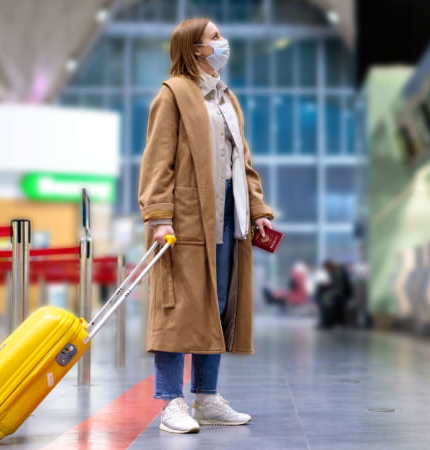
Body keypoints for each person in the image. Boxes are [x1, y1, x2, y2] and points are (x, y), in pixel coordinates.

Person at [138, 17, 274, 434]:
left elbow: (243, 164)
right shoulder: (173, 94)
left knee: (214, 307)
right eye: (215, 37)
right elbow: (158, 161)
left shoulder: (226, 99)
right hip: (184, 218)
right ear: (195, 48)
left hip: (227, 216)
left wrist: (258, 210)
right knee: (178, 308)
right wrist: (159, 218)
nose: (222, 42)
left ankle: (207, 398)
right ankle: (170, 403)